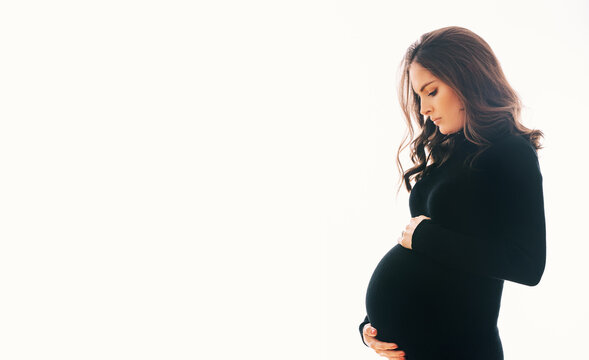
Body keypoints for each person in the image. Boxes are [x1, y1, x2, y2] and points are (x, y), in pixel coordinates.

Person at [358, 26, 546, 360]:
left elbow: (528, 264)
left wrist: (425, 237)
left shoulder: (510, 152)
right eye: (419, 97)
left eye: (431, 91)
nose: (423, 108)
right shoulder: (451, 152)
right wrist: (371, 327)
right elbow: (439, 268)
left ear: (466, 79)